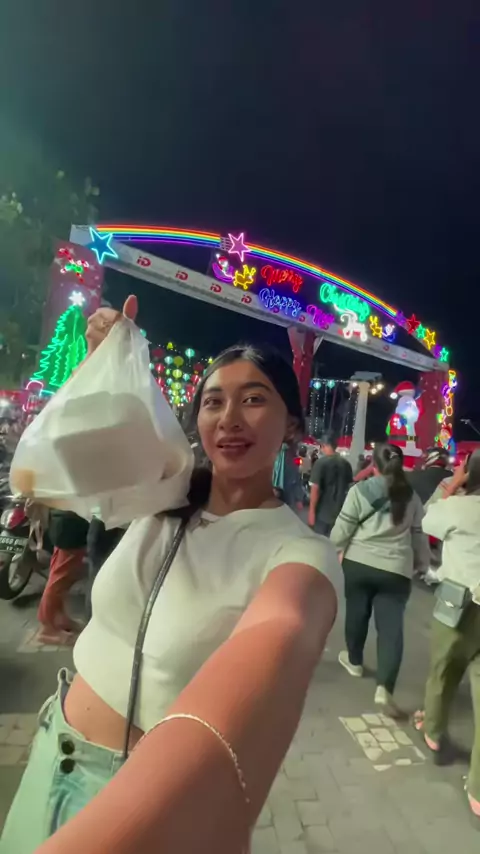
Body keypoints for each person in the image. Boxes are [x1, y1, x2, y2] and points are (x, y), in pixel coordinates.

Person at [0, 297, 339, 853]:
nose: (229, 418)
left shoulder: (300, 554)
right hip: (51, 743)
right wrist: (110, 361)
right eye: (213, 402)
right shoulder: (162, 494)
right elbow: (69, 458)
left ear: (293, 426)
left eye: (254, 399)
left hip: (138, 805)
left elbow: (278, 634)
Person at [33, 550, 336, 854]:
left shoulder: (299, 552)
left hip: (121, 786)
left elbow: (284, 619)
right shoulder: (157, 523)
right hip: (50, 742)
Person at [330, 443, 430, 714]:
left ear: (374, 466)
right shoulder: (411, 496)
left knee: (357, 613)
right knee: (391, 628)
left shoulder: (359, 491)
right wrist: (423, 564)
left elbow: (342, 530)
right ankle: (385, 688)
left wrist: (333, 551)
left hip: (358, 564)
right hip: (396, 570)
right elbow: (419, 535)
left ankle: (354, 661)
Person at [413, 450, 480, 821]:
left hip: (459, 605)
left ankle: (434, 732)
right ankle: (478, 791)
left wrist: (453, 483)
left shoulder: (459, 508)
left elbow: (426, 520)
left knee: (443, 670)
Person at [37, 509, 89, 644]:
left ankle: (59, 618)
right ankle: (47, 629)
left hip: (64, 520)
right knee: (58, 582)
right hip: (70, 525)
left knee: (60, 580)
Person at [308, 432, 352, 536]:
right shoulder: (346, 464)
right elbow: (349, 488)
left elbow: (315, 489)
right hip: (340, 514)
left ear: (324, 446)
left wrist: (311, 512)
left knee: (319, 542)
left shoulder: (320, 463)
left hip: (322, 514)